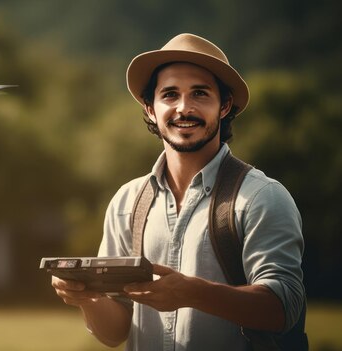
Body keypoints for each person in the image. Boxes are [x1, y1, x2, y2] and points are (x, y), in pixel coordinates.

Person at [51, 33, 305, 350]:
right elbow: (115, 332)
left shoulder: (261, 196)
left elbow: (284, 308)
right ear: (150, 108)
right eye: (170, 95)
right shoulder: (127, 203)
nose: (184, 108)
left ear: (224, 106)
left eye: (200, 93)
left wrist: (192, 293)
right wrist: (88, 298)